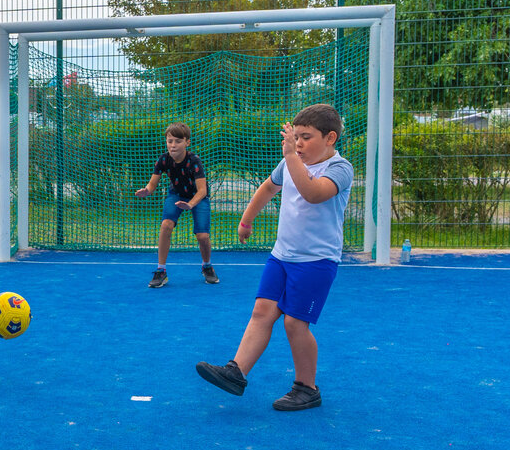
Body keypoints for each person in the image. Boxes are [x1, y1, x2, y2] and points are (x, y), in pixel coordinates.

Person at [195, 104, 354, 412]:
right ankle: (236, 371)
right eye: (295, 137)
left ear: (330, 138)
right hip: (281, 256)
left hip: (316, 261)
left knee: (295, 324)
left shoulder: (339, 168)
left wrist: (291, 157)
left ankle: (307, 388)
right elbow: (269, 188)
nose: (298, 144)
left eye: (305, 137)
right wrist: (247, 219)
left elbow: (313, 193)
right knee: (262, 311)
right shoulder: (290, 162)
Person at [134, 122, 217, 287]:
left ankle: (207, 266)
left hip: (197, 197)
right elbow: (152, 184)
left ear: (187, 142)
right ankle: (161, 271)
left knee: (202, 236)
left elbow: (202, 191)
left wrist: (191, 204)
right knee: (166, 225)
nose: (173, 145)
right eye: (169, 140)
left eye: (178, 141)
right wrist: (147, 190)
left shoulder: (194, 161)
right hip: (176, 194)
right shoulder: (163, 160)